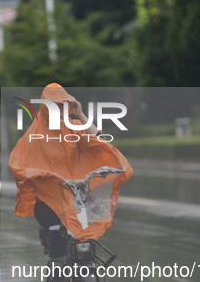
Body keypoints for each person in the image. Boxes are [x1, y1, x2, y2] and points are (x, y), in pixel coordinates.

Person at [9, 83, 133, 267]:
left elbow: (100, 142)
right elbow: (18, 166)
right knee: (57, 247)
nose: (59, 110)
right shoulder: (32, 137)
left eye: (62, 105)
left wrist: (80, 114)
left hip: (78, 199)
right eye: (54, 105)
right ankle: (57, 272)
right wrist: (40, 176)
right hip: (49, 203)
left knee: (86, 239)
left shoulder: (75, 127)